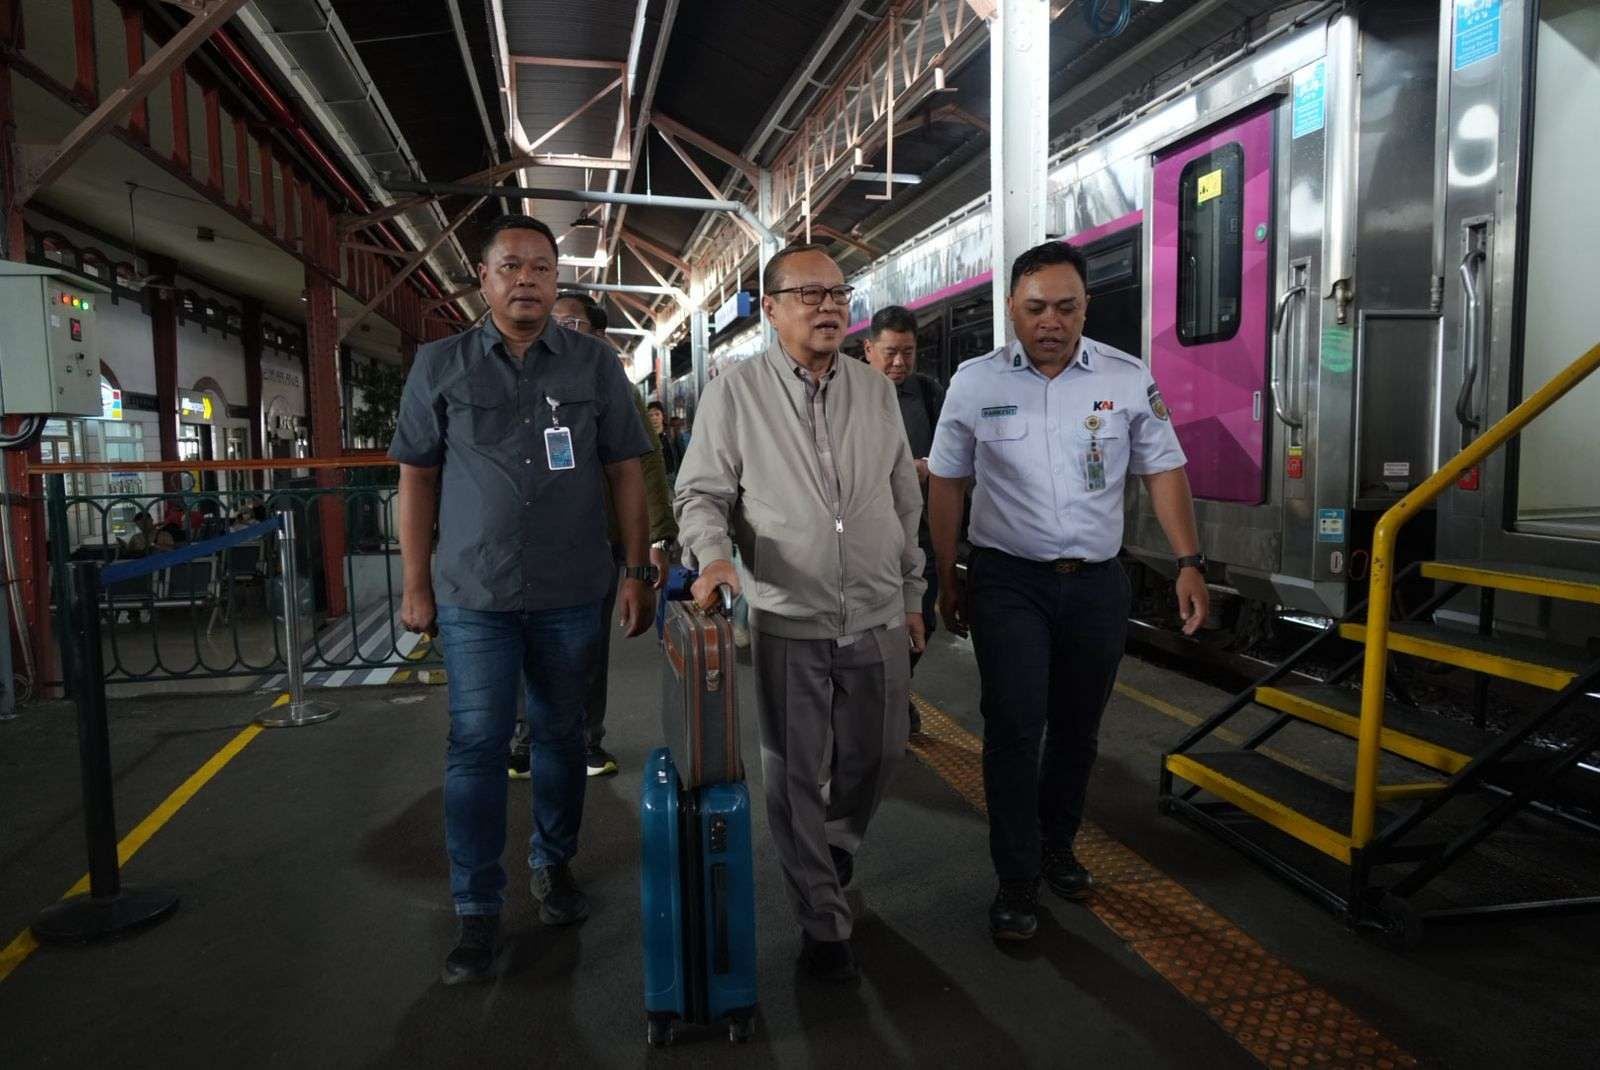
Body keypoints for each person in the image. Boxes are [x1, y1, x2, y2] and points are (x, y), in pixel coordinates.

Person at [389, 214, 657, 985]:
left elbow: (626, 470)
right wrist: (414, 583)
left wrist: (636, 570)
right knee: (475, 744)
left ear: (559, 277)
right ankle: (476, 907)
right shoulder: (438, 364)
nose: (528, 279)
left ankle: (555, 862)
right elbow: (418, 476)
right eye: (511, 266)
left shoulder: (594, 366)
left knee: (561, 736)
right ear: (484, 278)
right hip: (475, 593)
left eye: (542, 267)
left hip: (573, 588)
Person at [927, 240, 1209, 943]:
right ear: (1012, 310)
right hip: (1008, 581)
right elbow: (947, 483)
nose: (1050, 321)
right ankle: (1016, 876)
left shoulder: (1124, 376)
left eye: (1066, 307)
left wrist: (1189, 561)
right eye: (1035, 308)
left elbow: (1164, 469)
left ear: (1085, 308)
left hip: (1095, 587)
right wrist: (943, 572)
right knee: (1016, 729)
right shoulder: (974, 382)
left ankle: (1058, 846)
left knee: (1077, 733)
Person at [675, 242, 926, 983]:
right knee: (793, 777)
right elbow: (702, 495)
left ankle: (836, 847)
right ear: (771, 309)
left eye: (838, 293)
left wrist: (914, 594)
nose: (827, 305)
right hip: (789, 618)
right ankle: (824, 922)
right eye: (808, 294)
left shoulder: (874, 390)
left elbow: (902, 501)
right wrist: (714, 556)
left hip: (878, 612)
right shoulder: (735, 393)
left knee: (878, 755)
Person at [505, 290, 676, 779]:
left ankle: (585, 740)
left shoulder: (615, 386)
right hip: (526, 541)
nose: (558, 332)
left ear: (600, 337)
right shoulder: (520, 378)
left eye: (573, 325)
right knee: (520, 643)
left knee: (586, 646)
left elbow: (646, 467)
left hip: (596, 539)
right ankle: (523, 739)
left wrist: (655, 544)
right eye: (554, 323)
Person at [863, 304, 944, 736]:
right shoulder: (846, 392)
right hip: (865, 536)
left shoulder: (928, 393)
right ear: (869, 349)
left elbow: (952, 448)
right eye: (891, 352)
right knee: (872, 626)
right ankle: (885, 702)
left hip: (918, 533)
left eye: (907, 353)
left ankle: (898, 689)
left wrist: (926, 464)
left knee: (921, 623)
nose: (899, 363)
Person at [646, 401, 680, 476]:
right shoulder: (645, 437)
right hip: (655, 478)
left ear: (662, 416)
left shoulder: (672, 433)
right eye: (650, 415)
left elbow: (681, 454)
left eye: (657, 414)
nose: (654, 418)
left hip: (672, 476)